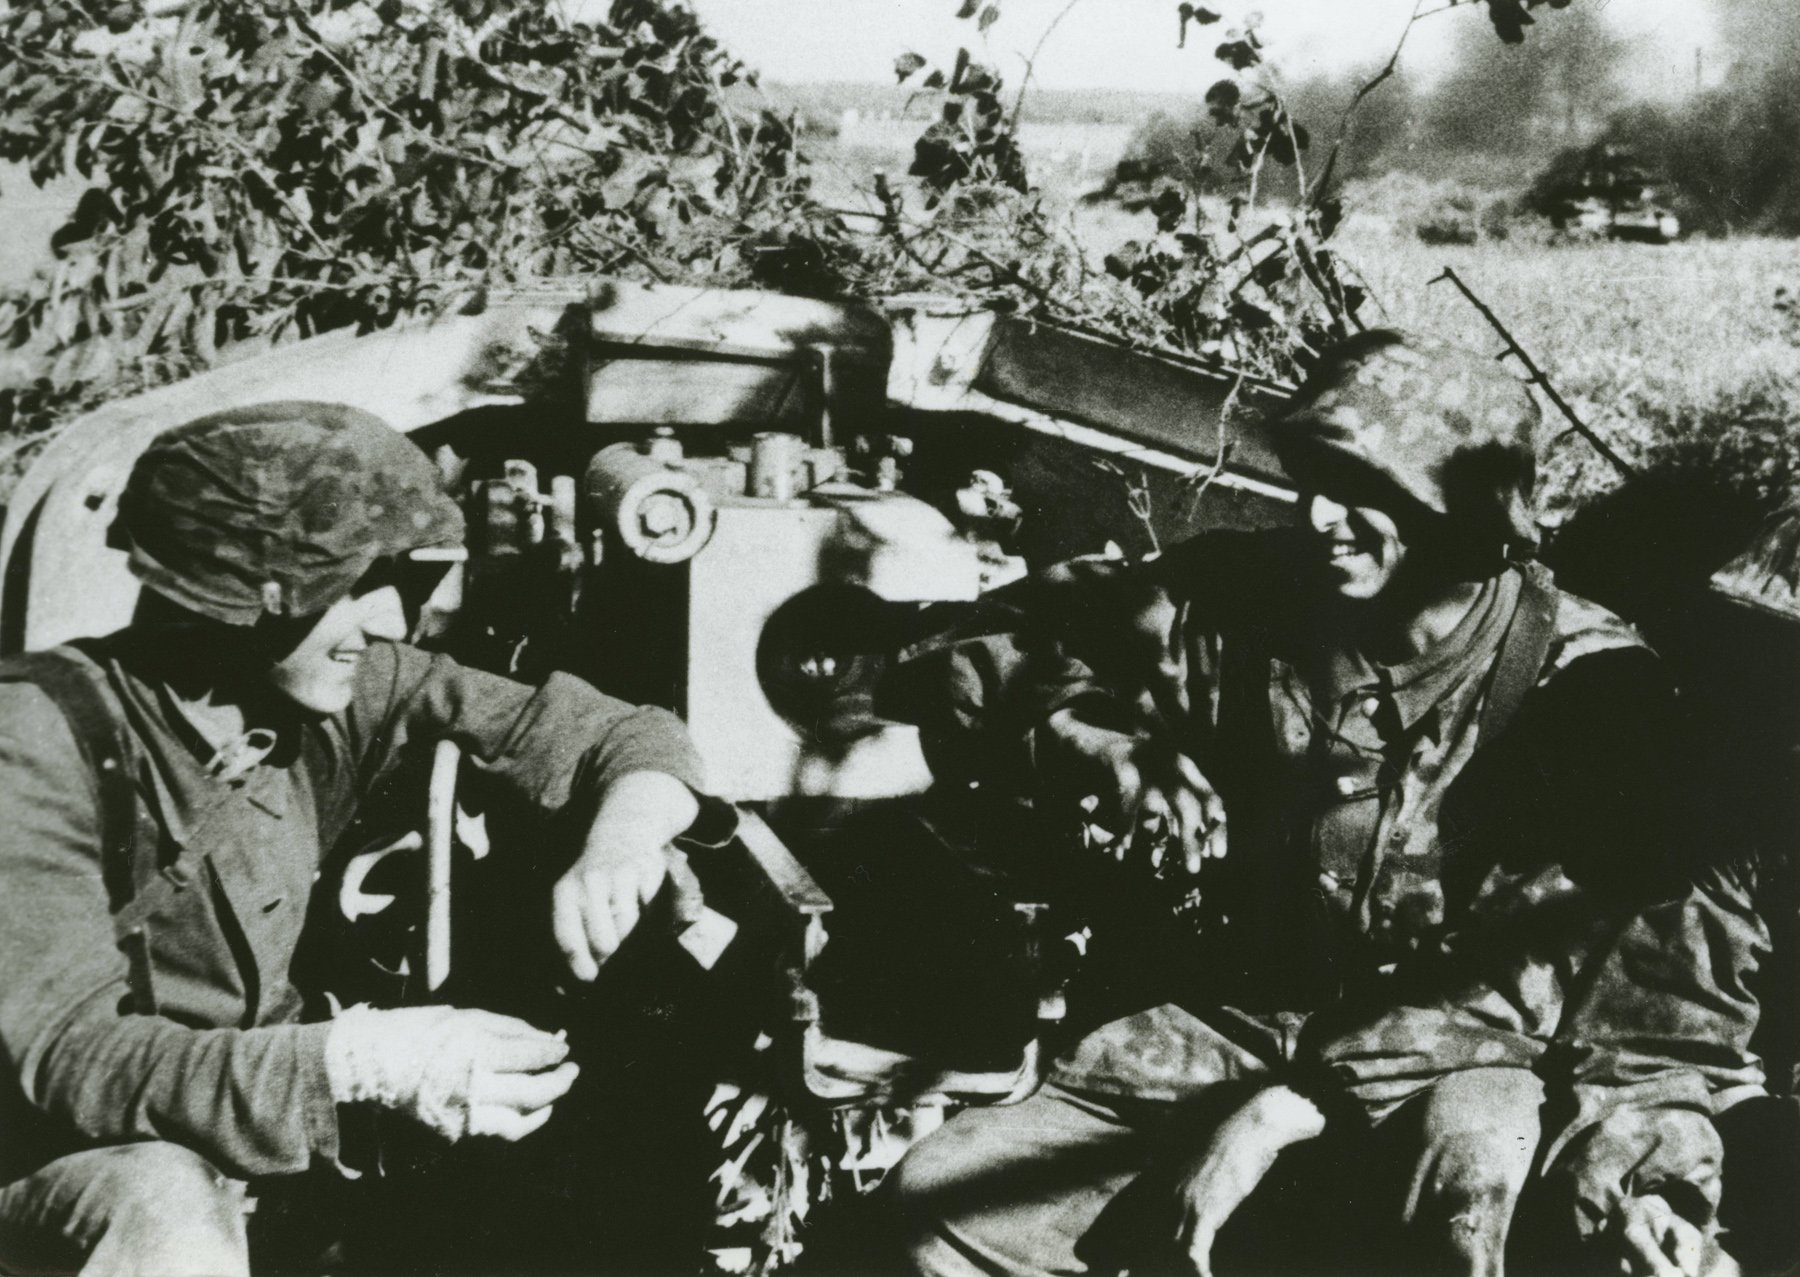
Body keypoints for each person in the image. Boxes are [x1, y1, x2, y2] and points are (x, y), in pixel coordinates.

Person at [884, 330, 1683, 1277]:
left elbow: (1589, 989)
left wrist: (1288, 1108)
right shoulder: (1240, 597)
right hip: (1221, 1031)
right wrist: (1089, 732)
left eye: (1364, 490)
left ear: (1466, 515)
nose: (1317, 515)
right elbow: (967, 647)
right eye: (1310, 481)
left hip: (1442, 1066)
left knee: (1475, 1167)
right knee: (944, 1206)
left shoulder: (1585, 687)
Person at [0, 403, 712, 1276]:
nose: (392, 622)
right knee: (161, 1201)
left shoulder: (326, 687)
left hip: (246, 1145)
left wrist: (624, 838)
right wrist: (358, 1065)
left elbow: (615, 729)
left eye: (404, 583)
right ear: (245, 588)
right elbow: (73, 1062)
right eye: (355, 585)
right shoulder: (34, 736)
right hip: (63, 1162)